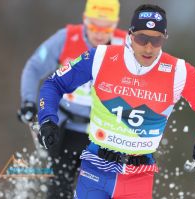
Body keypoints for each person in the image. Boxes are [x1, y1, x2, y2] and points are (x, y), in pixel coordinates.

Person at [37, 4, 195, 199]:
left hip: (138, 176)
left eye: (156, 40)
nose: (149, 47)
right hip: (95, 168)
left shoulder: (179, 71)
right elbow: (54, 84)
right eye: (142, 38)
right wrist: (47, 120)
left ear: (164, 38)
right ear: (130, 35)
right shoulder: (102, 57)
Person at [18, 0, 127, 198]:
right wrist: (28, 101)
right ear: (85, 20)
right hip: (65, 127)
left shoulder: (126, 45)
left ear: (116, 24)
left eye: (107, 28)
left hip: (104, 131)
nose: (100, 34)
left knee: (98, 190)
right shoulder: (67, 38)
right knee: (59, 188)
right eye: (94, 26)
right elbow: (34, 67)